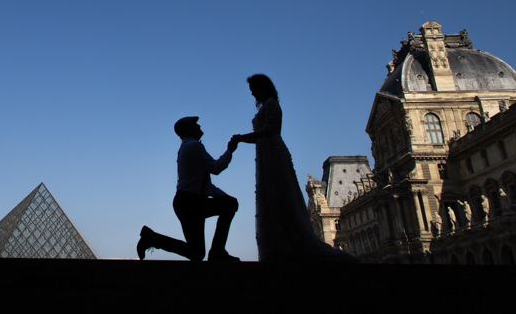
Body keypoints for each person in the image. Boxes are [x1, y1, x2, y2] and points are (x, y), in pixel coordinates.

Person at [234, 74, 355, 262]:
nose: (252, 94)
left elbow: (267, 131)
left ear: (263, 87)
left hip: (273, 152)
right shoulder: (269, 104)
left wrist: (242, 138)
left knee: (280, 195)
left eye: (254, 89)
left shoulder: (272, 104)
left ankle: (285, 246)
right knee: (275, 196)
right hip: (266, 153)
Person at [137, 116, 240, 261]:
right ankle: (217, 252)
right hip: (191, 203)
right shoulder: (194, 146)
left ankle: (152, 238)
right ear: (188, 129)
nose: (199, 126)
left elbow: (205, 185)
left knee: (196, 253)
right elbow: (216, 168)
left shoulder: (188, 147)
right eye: (195, 124)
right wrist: (230, 150)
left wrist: (223, 196)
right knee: (230, 205)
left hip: (187, 202)